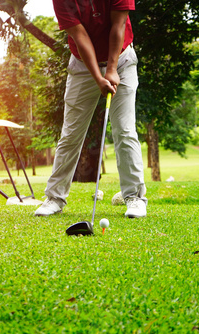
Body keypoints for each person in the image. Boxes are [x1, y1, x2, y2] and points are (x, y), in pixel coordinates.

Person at [35, 0, 147, 218]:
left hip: (122, 61)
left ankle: (134, 198)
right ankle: (55, 198)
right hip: (82, 65)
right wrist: (98, 77)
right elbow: (79, 35)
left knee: (124, 130)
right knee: (71, 134)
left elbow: (119, 25)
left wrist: (112, 69)